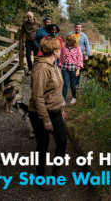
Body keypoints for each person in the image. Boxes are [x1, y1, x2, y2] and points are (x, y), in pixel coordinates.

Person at [28, 36, 67, 191]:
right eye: (59, 48)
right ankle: (40, 177)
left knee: (62, 142)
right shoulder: (41, 68)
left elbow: (57, 91)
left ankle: (56, 170)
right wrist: (45, 119)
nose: (61, 50)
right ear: (54, 51)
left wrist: (61, 108)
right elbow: (37, 96)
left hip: (55, 111)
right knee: (43, 146)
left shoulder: (54, 65)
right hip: (40, 114)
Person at [59, 34, 83, 106]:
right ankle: (63, 99)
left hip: (73, 69)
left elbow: (80, 59)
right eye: (67, 40)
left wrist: (78, 70)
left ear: (73, 41)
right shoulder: (64, 47)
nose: (68, 41)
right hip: (65, 68)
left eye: (70, 40)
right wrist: (60, 66)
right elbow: (61, 57)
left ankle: (74, 97)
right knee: (65, 84)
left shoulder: (77, 48)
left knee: (73, 84)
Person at [68, 22, 90, 87]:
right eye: (77, 27)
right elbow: (66, 44)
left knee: (78, 69)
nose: (78, 28)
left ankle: (77, 84)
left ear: (81, 28)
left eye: (79, 27)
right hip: (70, 55)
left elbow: (87, 46)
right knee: (71, 69)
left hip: (80, 55)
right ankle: (71, 83)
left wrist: (86, 55)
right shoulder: (70, 35)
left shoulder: (84, 36)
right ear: (75, 27)